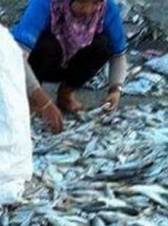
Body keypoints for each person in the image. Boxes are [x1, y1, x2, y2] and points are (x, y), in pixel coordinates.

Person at [11, 0, 128, 133]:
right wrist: (43, 101)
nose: (88, 10)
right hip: (40, 62)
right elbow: (17, 57)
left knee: (104, 44)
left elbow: (119, 55)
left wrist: (115, 90)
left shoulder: (108, 9)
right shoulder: (44, 4)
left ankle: (66, 93)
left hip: (70, 62)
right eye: (82, 3)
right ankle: (32, 99)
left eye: (96, 4)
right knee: (47, 45)